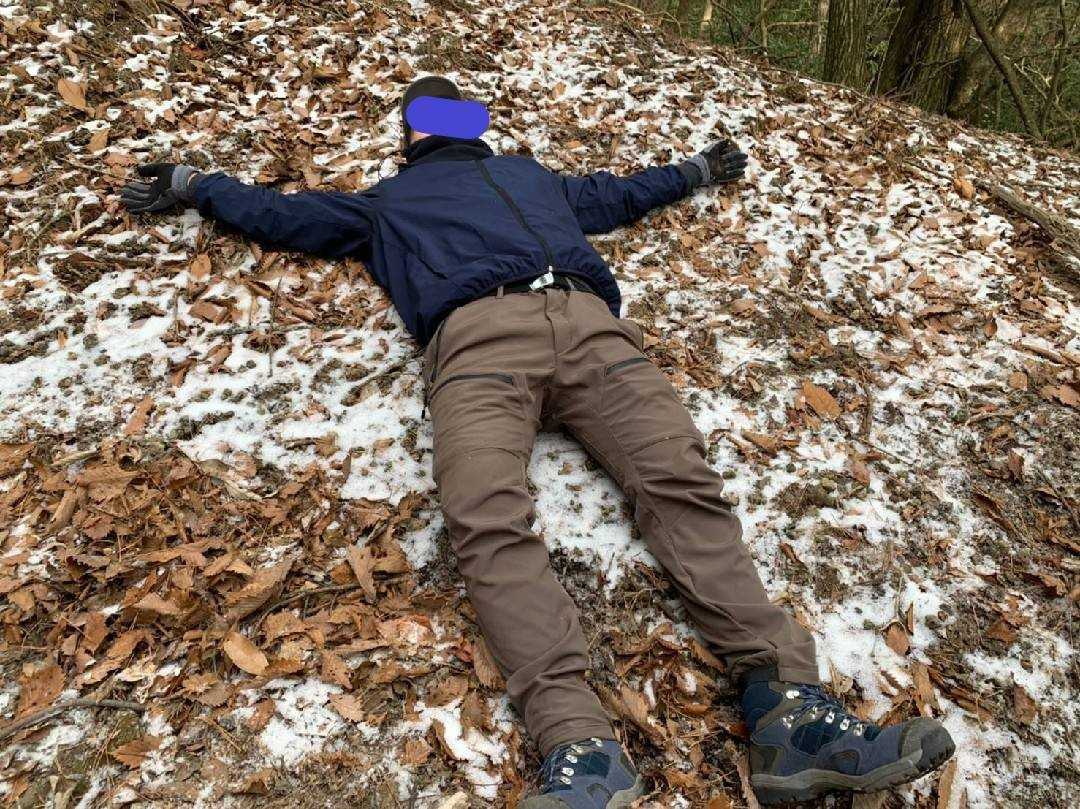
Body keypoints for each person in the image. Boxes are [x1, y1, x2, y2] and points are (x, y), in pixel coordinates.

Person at [121, 75, 955, 808]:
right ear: (423, 133)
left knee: (675, 479)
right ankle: (580, 744)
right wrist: (199, 186)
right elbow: (286, 216)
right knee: (488, 512)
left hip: (582, 330)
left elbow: (617, 194)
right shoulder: (389, 201)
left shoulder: (528, 178)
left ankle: (791, 718)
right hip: (483, 341)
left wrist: (694, 172)